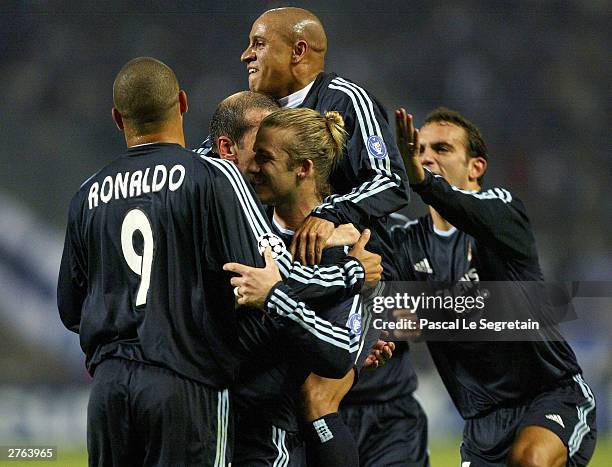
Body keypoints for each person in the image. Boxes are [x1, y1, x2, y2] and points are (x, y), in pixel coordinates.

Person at [56, 57, 377, 467]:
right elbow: (266, 275)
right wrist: (351, 271)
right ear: (183, 104)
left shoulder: (87, 194)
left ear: (118, 118)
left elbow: (70, 308)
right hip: (184, 383)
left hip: (107, 389)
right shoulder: (211, 176)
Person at [239, 8, 428, 466]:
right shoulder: (252, 114)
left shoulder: (345, 100)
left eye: (260, 43)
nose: (247, 54)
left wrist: (328, 213)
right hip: (285, 284)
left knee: (321, 398)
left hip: (349, 284)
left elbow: (391, 182)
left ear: (299, 51)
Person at [392, 107, 597, 466]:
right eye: (419, 148)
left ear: (476, 167)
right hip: (482, 424)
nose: (425, 157)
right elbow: (394, 316)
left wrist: (423, 182)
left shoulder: (502, 212)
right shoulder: (406, 242)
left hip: (550, 395)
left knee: (530, 459)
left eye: (441, 149)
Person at [205, 92, 391, 466]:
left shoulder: (350, 245)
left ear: (303, 169)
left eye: (265, 158)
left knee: (318, 401)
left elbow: (337, 352)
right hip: (214, 419)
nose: (251, 167)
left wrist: (278, 297)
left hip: (271, 431)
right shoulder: (242, 218)